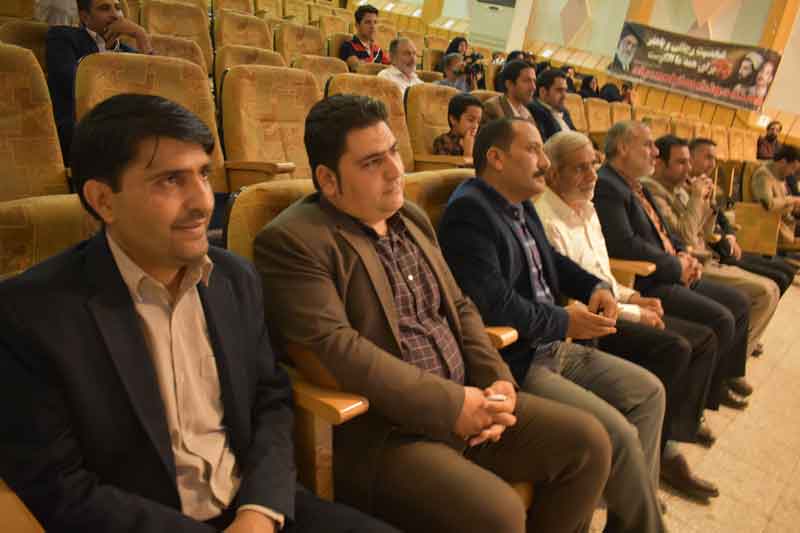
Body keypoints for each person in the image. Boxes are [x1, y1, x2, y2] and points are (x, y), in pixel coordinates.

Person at [0, 94, 399, 533]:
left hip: (256, 510)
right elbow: (60, 487)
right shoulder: (33, 314)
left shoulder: (234, 279)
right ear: (103, 200)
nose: (203, 202)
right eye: (171, 180)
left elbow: (270, 400)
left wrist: (260, 511)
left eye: (204, 174)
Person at [255, 94, 612, 533]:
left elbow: (459, 305)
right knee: (498, 514)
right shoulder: (294, 241)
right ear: (328, 180)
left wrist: (496, 380)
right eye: (372, 163)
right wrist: (453, 405)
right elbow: (337, 351)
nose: (395, 170)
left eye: (393, 152)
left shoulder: (409, 216)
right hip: (389, 430)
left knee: (589, 444)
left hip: (469, 398)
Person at [439, 118, 667, 533]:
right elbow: (494, 305)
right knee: (616, 434)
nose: (544, 162)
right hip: (520, 359)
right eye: (533, 150)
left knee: (649, 393)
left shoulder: (522, 203)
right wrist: (564, 321)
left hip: (554, 346)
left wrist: (596, 286)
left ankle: (629, 513)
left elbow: (555, 263)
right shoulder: (469, 213)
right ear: (496, 158)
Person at [535, 130, 720, 500]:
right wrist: (633, 311)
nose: (592, 176)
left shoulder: (587, 208)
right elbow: (575, 294)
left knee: (703, 338)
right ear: (553, 174)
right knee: (674, 348)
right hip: (584, 322)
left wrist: (633, 295)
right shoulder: (545, 218)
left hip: (610, 304)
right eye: (580, 168)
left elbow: (600, 275)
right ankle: (651, 457)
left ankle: (661, 445)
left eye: (594, 165)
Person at [594, 121, 753, 411]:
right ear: (623, 148)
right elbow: (624, 244)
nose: (655, 152)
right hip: (647, 280)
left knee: (739, 303)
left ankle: (713, 388)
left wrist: (684, 254)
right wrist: (675, 265)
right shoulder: (608, 185)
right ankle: (694, 406)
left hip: (670, 269)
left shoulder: (636, 185)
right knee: (720, 320)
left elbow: (666, 232)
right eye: (648, 145)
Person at [643, 135, 780, 358]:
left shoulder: (677, 189)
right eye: (681, 162)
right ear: (659, 163)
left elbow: (704, 232)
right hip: (688, 263)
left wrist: (708, 203)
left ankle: (738, 354)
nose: (688, 169)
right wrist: (697, 198)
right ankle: (733, 357)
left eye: (688, 162)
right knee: (763, 292)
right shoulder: (653, 191)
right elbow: (686, 237)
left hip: (703, 257)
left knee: (771, 288)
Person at [690, 138, 799, 296]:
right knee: (774, 282)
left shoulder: (704, 184)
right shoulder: (764, 174)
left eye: (714, 159)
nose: (713, 165)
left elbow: (720, 217)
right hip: (765, 228)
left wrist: (730, 235)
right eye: (708, 158)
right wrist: (791, 201)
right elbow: (767, 204)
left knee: (784, 274)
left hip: (725, 245)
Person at [46, 0, 152, 160]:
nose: (115, 15)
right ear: (85, 17)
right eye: (104, 8)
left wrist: (141, 36)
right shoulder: (63, 37)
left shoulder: (130, 53)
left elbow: (157, 92)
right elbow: (70, 84)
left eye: (118, 8)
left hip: (127, 130)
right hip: (82, 127)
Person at [751, 145, 800, 244]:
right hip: (773, 227)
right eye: (792, 168)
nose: (792, 173)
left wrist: (795, 208)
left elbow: (783, 204)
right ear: (783, 162)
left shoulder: (780, 176)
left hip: (787, 222)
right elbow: (768, 204)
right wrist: (791, 199)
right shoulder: (763, 175)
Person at [339, 4, 390, 72]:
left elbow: (391, 67)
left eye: (375, 22)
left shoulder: (377, 50)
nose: (373, 26)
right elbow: (359, 68)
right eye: (368, 22)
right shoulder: (348, 46)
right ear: (357, 25)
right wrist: (383, 68)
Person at [528, 68, 575, 142]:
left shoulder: (564, 111)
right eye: (559, 90)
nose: (564, 96)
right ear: (543, 92)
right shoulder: (535, 112)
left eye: (565, 90)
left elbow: (575, 134)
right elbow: (545, 144)